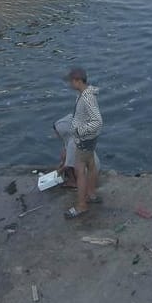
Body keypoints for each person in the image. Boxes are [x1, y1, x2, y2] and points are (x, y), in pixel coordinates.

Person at [64, 67, 102, 219]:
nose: (70, 84)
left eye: (71, 81)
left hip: (84, 140)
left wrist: (79, 131)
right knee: (91, 165)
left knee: (79, 172)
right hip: (90, 140)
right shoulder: (84, 94)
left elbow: (97, 122)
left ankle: (82, 205)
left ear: (78, 81)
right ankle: (91, 194)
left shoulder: (87, 98)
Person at [53, 115, 78, 190]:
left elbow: (68, 164)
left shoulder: (72, 143)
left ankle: (73, 182)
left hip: (85, 170)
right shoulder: (73, 136)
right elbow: (65, 151)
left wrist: (59, 172)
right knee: (64, 156)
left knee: (67, 165)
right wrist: (62, 162)